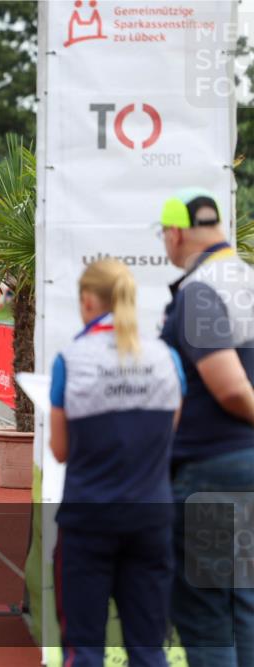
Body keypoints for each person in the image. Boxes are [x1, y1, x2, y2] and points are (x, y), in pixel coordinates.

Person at [49, 259, 185, 667]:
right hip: (151, 517)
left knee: (84, 650)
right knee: (148, 649)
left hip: (88, 520)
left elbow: (60, 449)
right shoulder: (166, 358)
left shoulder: (72, 360)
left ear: (88, 299)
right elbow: (169, 435)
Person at [157, 188, 254, 667]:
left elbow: (232, 389)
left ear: (176, 233)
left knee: (208, 617)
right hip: (242, 471)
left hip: (211, 474)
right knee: (244, 610)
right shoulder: (247, 281)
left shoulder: (201, 291)